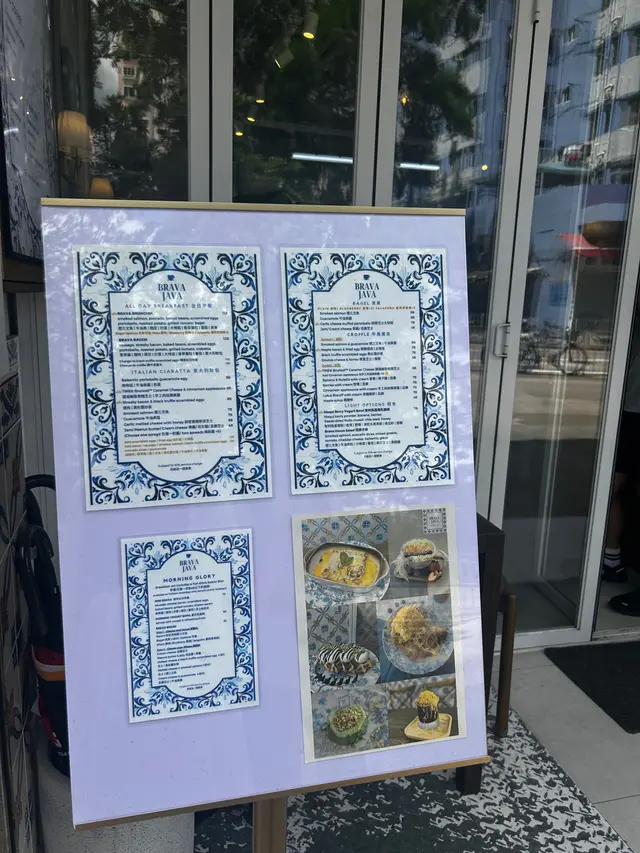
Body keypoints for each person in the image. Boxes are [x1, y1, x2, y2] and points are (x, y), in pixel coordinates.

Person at [607, 311, 640, 615]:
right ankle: (612, 560)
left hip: (633, 413)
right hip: (630, 412)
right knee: (611, 487)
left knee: (614, 487)